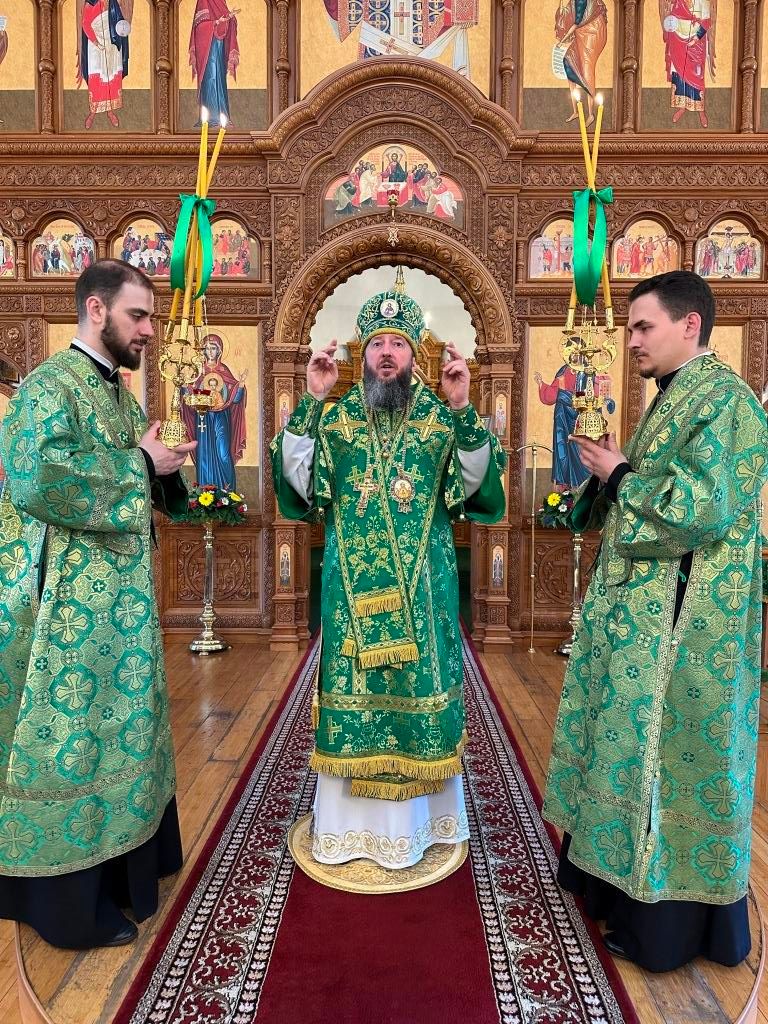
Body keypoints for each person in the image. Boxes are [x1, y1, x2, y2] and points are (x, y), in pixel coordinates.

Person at [543, 270, 768, 972]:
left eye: (643, 326)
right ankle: (610, 882)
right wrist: (609, 473)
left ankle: (664, 928)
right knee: (625, 748)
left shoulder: (724, 400)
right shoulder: (675, 395)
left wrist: (618, 473)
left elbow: (698, 512)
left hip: (683, 630)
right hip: (642, 618)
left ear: (689, 325)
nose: (632, 340)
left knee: (663, 760)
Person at [270, 270, 506, 869]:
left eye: (397, 343)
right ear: (362, 351)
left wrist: (463, 407)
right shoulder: (337, 419)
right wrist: (313, 398)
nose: (386, 353)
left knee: (420, 692)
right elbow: (298, 484)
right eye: (376, 342)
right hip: (350, 597)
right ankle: (349, 831)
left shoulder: (439, 419)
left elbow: (478, 487)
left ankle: (421, 826)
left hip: (424, 594)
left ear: (413, 354)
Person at [0, 259, 196, 949]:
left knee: (125, 728)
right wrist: (141, 466)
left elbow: (139, 465)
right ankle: (69, 907)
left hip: (121, 606)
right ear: (95, 310)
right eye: (138, 316)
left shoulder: (117, 391)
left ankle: (132, 867)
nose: (149, 330)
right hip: (69, 612)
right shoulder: (49, 386)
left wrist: (164, 467)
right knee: (77, 734)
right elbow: (37, 477)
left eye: (150, 318)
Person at [188, 0, 239, 128]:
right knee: (211, 78)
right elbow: (199, 26)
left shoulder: (221, 2)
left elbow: (225, 24)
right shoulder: (204, 1)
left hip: (219, 48)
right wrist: (216, 22)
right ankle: (211, 118)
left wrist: (230, 18)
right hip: (208, 50)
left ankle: (222, 116)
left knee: (220, 80)